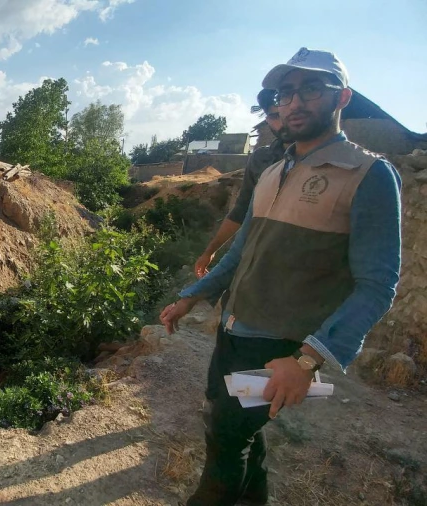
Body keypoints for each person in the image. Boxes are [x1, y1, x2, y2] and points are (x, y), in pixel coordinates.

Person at [160, 48, 402, 505]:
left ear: (342, 97)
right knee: (238, 432)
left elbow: (377, 284)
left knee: (226, 440)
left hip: (278, 350)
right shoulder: (272, 171)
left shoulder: (368, 175)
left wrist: (307, 360)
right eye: (285, 93)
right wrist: (192, 296)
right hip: (233, 331)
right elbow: (240, 252)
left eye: (311, 89)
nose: (294, 102)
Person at [193, 89, 292, 279]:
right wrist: (210, 251)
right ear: (267, 120)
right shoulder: (262, 159)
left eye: (284, 114)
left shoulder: (322, 160)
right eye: (274, 116)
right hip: (261, 259)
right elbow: (242, 209)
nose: (282, 122)